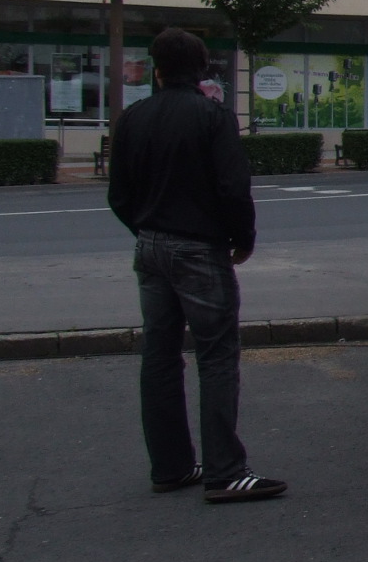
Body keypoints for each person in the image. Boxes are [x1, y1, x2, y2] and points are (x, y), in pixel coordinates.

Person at [107, 27, 285, 502]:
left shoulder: (132, 119)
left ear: (157, 70)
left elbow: (118, 195)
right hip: (200, 247)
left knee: (160, 355)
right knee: (217, 355)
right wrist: (242, 239)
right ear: (202, 70)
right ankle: (225, 470)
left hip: (150, 244)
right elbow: (233, 187)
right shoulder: (213, 117)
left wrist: (146, 229)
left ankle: (171, 464)